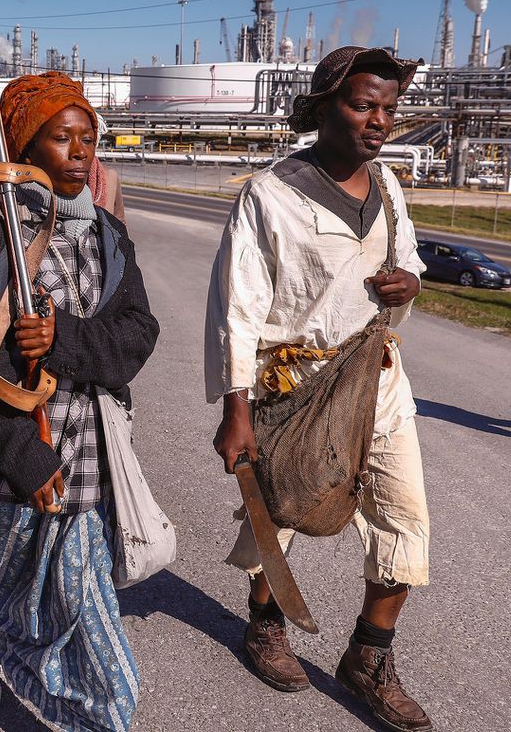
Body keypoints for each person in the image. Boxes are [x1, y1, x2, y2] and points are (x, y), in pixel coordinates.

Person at [206, 46, 431, 732]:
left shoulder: (389, 187)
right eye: (364, 104)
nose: (379, 120)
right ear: (324, 106)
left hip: (378, 378)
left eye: (388, 108)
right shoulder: (269, 194)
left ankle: (368, 656)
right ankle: (265, 622)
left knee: (406, 520)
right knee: (280, 511)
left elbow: (411, 256)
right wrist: (236, 410)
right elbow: (236, 309)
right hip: (296, 384)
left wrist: (409, 282)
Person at [0, 71, 158, 729]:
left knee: (101, 655)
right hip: (8, 470)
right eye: (64, 137)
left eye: (89, 137)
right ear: (26, 146)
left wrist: (65, 339)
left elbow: (138, 335)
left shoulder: (110, 241)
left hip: (84, 473)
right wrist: (25, 461)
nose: (83, 150)